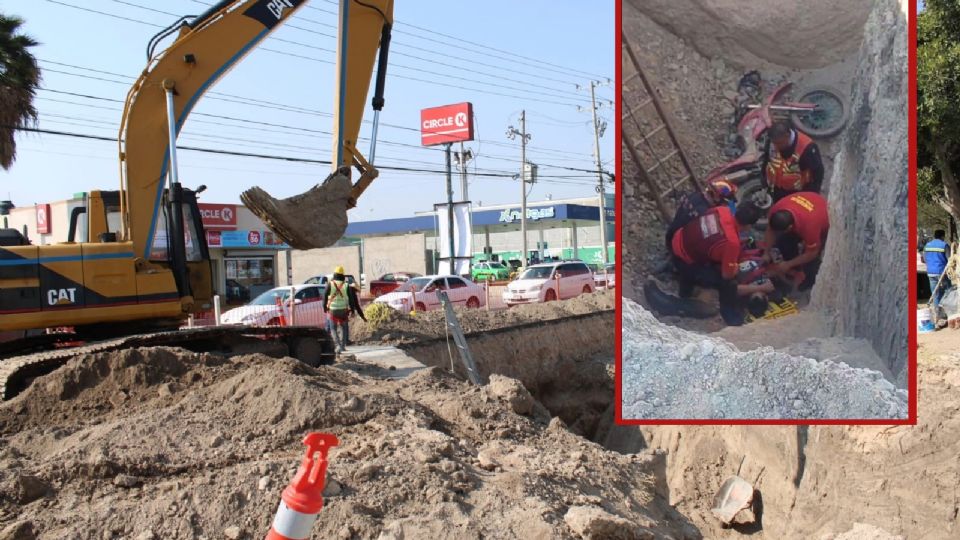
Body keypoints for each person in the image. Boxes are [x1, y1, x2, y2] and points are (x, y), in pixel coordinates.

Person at [671, 200, 763, 326]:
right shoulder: (732, 243)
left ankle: (685, 291)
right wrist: (735, 267)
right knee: (728, 283)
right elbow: (727, 275)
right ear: (748, 226)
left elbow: (712, 235)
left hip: (677, 239)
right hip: (686, 261)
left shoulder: (721, 210)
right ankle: (731, 316)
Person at [764, 192, 830, 292]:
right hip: (809, 203)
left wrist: (788, 264)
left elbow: (812, 253)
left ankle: (810, 280)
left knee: (811, 262)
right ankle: (793, 268)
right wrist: (766, 252)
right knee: (784, 243)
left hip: (822, 217)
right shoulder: (777, 209)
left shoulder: (810, 226)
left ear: (790, 227)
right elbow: (770, 230)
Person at [664, 178, 738, 251]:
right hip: (678, 247)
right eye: (725, 202)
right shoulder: (705, 213)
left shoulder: (695, 195)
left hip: (671, 235)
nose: (724, 205)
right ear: (717, 198)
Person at [762, 121, 824, 202]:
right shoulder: (772, 141)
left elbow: (818, 173)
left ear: (787, 136)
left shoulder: (807, 148)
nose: (776, 147)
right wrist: (764, 177)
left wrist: (811, 197)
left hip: (796, 192)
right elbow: (767, 159)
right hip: (776, 187)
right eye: (774, 143)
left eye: (779, 143)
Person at [323, 266, 366, 354]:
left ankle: (337, 345)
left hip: (333, 310)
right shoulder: (346, 285)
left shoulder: (330, 284)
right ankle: (343, 346)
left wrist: (324, 307)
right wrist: (353, 311)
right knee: (344, 327)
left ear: (334, 275)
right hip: (343, 310)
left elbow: (324, 298)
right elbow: (351, 300)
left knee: (333, 329)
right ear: (343, 275)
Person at [924, 229, 951, 313]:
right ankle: (948, 313)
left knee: (936, 294)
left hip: (931, 273)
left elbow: (925, 259)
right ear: (943, 236)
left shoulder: (927, 245)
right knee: (948, 292)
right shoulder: (944, 245)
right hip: (942, 273)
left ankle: (938, 314)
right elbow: (950, 259)